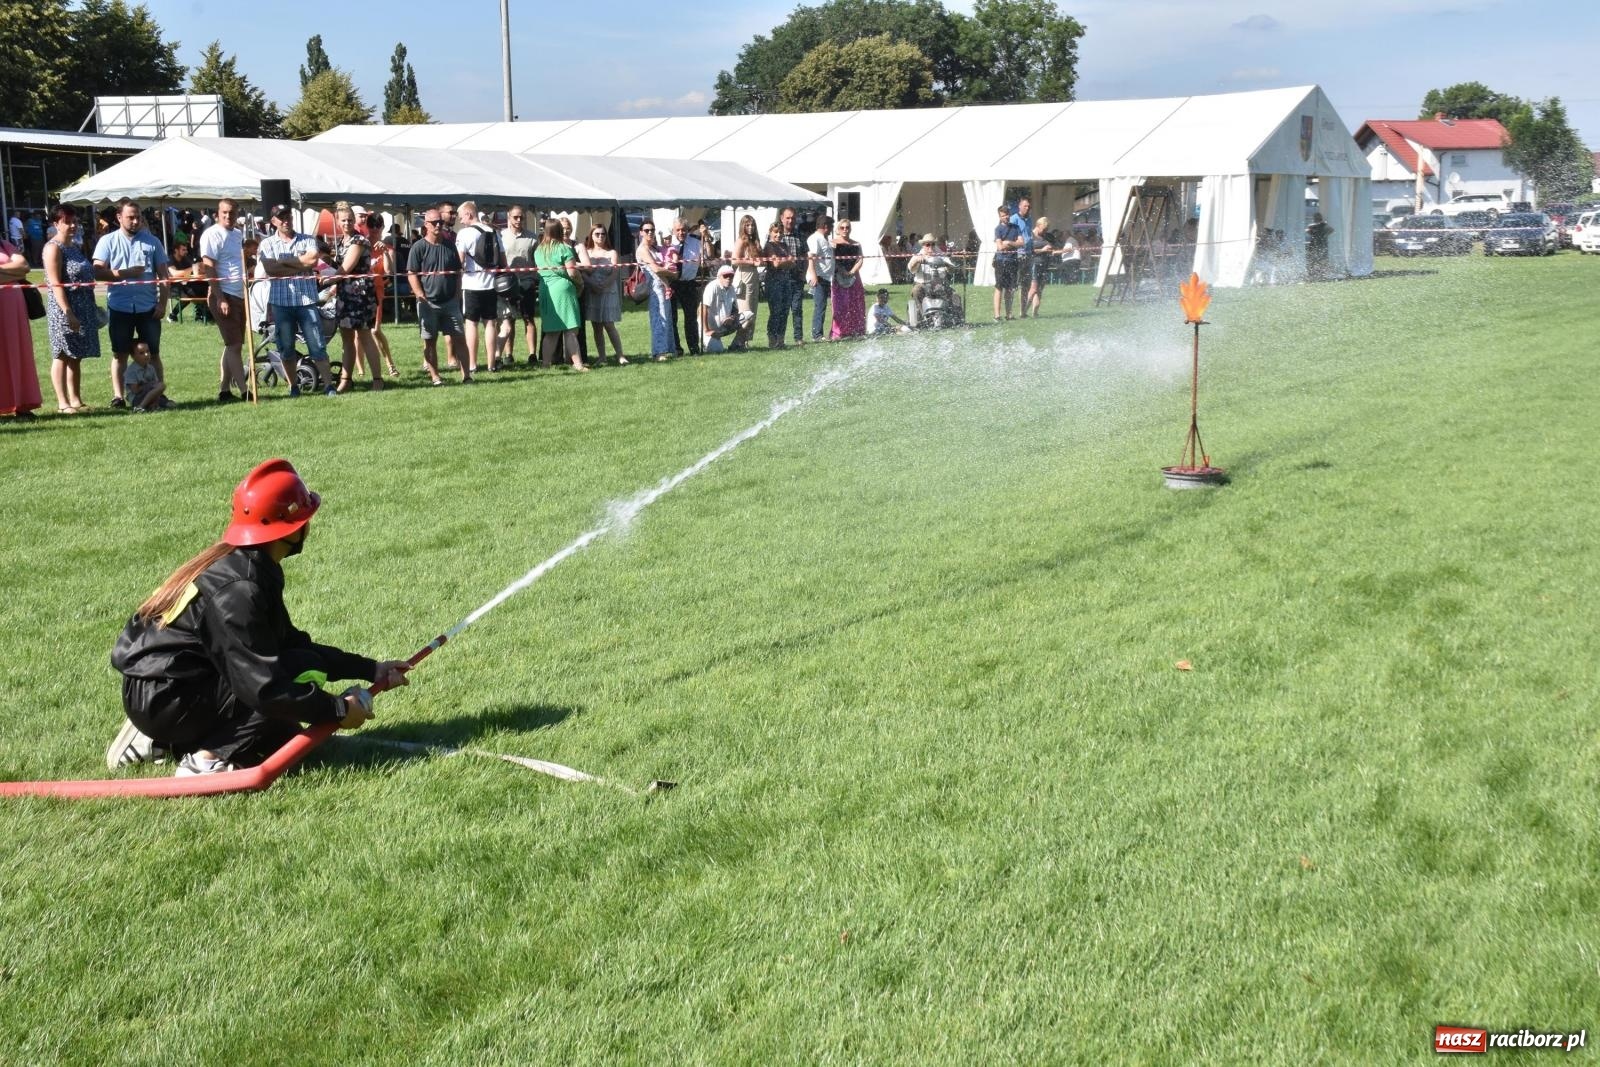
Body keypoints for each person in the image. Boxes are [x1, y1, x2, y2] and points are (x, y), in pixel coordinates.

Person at [107, 459, 411, 776]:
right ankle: (204, 761)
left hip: (172, 686)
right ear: (291, 529)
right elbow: (263, 688)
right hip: (166, 699)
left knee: (287, 720)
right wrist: (337, 710)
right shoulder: (238, 592)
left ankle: (161, 741)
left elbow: (290, 643)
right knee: (287, 684)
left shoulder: (249, 565)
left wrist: (370, 668)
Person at [93, 198, 170, 409]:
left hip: (148, 308)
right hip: (120, 307)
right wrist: (123, 273)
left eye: (138, 217)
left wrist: (162, 304)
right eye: (130, 217)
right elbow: (97, 272)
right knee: (120, 353)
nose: (135, 221)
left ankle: (158, 394)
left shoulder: (152, 241)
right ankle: (118, 397)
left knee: (153, 353)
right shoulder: (107, 241)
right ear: (119, 218)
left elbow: (164, 275)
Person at [256, 204, 336, 396]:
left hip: (306, 301)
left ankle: (329, 386)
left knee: (317, 345)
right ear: (273, 221)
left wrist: (283, 261)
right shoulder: (267, 244)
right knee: (286, 347)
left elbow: (312, 261)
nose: (286, 220)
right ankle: (293, 387)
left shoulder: (308, 240)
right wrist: (298, 263)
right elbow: (271, 269)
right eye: (281, 217)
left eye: (288, 216)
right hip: (281, 303)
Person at [41, 204, 100, 414]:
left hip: (82, 306)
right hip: (64, 309)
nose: (74, 225)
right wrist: (68, 312)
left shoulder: (75, 247)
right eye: (68, 221)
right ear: (56, 223)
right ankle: (62, 403)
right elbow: (55, 283)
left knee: (76, 356)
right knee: (62, 354)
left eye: (76, 221)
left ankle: (76, 400)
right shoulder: (53, 248)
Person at [405, 207, 466, 386]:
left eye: (440, 221)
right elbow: (411, 274)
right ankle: (435, 376)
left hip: (450, 302)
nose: (438, 225)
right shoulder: (418, 247)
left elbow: (457, 272)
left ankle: (467, 376)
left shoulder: (450, 245)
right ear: (426, 225)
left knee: (459, 339)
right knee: (429, 341)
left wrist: (456, 295)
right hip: (428, 303)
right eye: (434, 222)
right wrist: (420, 296)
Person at [199, 199, 249, 402]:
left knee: (232, 345)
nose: (229, 216)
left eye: (232, 213)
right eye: (225, 213)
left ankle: (224, 390)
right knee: (235, 345)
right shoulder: (211, 234)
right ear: (217, 214)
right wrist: (220, 297)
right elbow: (209, 266)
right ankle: (245, 391)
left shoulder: (237, 234)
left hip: (239, 294)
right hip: (223, 295)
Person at [331, 203, 384, 392]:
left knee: (364, 336)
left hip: (361, 295)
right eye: (343, 220)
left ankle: (377, 379)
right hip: (344, 294)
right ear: (338, 222)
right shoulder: (340, 243)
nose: (347, 223)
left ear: (355, 221)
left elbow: (346, 268)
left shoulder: (359, 241)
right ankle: (346, 380)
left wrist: (325, 281)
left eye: (350, 220)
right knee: (346, 338)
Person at [0, 232, 42, 419]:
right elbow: (17, 269)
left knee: (17, 353)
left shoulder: (4, 244)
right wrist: (11, 273)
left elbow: (24, 266)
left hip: (13, 311)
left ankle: (21, 404)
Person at [455, 201, 500, 375]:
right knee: (490, 323)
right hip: (490, 284)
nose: (461, 221)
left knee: (471, 324)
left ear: (468, 214)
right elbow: (501, 260)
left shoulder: (464, 233)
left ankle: (472, 364)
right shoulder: (492, 231)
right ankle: (491, 364)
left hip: (471, 284)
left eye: (461, 217)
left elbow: (460, 261)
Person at [533, 218, 584, 371]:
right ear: (559, 231)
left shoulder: (538, 250)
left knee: (551, 332)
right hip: (563, 290)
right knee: (570, 329)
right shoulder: (564, 248)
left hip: (545, 289)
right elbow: (572, 272)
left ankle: (546, 364)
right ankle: (578, 365)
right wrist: (580, 284)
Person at [362, 211, 400, 378]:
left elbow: (388, 271)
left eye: (378, 226)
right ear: (367, 226)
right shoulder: (361, 244)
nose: (375, 229)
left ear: (383, 227)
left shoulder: (388, 247)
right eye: (372, 226)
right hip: (359, 290)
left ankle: (390, 364)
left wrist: (384, 252)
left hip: (376, 291)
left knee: (375, 330)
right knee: (358, 332)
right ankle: (361, 371)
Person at [499, 205, 538, 364]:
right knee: (509, 320)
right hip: (508, 284)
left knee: (529, 319)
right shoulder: (501, 236)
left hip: (527, 283)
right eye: (515, 217)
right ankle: (508, 355)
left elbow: (537, 261)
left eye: (521, 217)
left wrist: (534, 279)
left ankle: (532, 355)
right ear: (509, 217)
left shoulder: (533, 238)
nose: (519, 220)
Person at [583, 224, 625, 364]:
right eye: (597, 234)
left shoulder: (611, 253)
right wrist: (592, 284)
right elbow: (582, 272)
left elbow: (615, 272)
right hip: (593, 291)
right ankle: (602, 357)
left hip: (608, 291)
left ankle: (620, 355)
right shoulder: (587, 252)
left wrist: (604, 285)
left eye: (603, 234)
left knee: (609, 324)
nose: (600, 236)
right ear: (591, 236)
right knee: (596, 326)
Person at [766, 208, 806, 349]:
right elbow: (775, 264)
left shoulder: (784, 245)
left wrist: (785, 261)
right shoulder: (769, 245)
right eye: (775, 232)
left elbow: (792, 262)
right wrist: (786, 261)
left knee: (785, 312)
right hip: (773, 281)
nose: (778, 235)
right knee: (775, 311)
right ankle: (772, 340)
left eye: (780, 232)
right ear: (770, 233)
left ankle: (781, 341)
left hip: (786, 281)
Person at [637, 221, 675, 362]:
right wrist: (673, 273)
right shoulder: (642, 249)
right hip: (654, 289)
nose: (650, 232)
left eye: (652, 230)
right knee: (659, 320)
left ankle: (668, 349)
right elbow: (656, 269)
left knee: (667, 318)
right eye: (646, 230)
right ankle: (659, 352)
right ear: (641, 232)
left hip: (663, 287)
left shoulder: (654, 247)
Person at [906, 233, 959, 328]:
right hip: (923, 285)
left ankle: (957, 320)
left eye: (932, 244)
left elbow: (952, 269)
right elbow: (911, 268)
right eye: (927, 244)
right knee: (916, 290)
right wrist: (917, 261)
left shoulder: (941, 255)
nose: (930, 247)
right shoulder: (918, 255)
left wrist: (947, 265)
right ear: (923, 245)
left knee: (955, 296)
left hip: (940, 284)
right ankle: (923, 319)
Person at [667, 217, 703, 355]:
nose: (681, 232)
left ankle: (694, 348)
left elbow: (709, 254)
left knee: (691, 318)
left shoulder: (696, 242)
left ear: (688, 230)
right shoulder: (668, 243)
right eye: (678, 230)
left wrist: (705, 236)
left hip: (689, 284)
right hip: (672, 284)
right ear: (673, 230)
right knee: (672, 318)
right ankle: (676, 348)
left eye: (684, 230)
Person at [699, 263, 750, 353]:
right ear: (719, 277)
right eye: (725, 276)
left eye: (731, 276)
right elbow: (703, 308)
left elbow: (735, 309)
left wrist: (732, 317)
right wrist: (707, 330)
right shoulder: (712, 287)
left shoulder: (732, 288)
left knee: (749, 317)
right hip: (708, 327)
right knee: (718, 350)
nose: (729, 278)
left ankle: (736, 345)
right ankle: (707, 342)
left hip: (724, 325)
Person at [829, 219, 865, 339]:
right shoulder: (833, 243)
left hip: (854, 277)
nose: (845, 230)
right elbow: (833, 259)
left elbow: (860, 259)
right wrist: (842, 271)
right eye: (842, 227)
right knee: (840, 304)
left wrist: (852, 272)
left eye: (847, 227)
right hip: (839, 277)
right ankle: (839, 331)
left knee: (856, 304)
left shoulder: (856, 244)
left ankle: (856, 330)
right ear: (838, 229)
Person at [730, 214, 761, 351]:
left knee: (753, 312)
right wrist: (751, 262)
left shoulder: (754, 241)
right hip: (743, 277)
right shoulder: (741, 241)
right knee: (746, 314)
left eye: (752, 225)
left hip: (754, 277)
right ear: (743, 226)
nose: (750, 227)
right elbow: (734, 260)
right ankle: (736, 343)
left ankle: (743, 342)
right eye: (747, 225)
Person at [991, 204, 1024, 322]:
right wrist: (1011, 243)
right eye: (1003, 215)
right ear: (1000, 217)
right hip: (1001, 261)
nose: (1006, 217)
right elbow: (1000, 247)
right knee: (999, 287)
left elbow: (1021, 243)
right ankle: (997, 315)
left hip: (1013, 261)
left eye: (1007, 215)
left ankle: (1009, 314)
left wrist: (1009, 242)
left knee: (1010, 288)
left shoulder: (1016, 227)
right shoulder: (998, 229)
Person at [805, 214, 835, 341]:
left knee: (823, 305)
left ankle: (819, 333)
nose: (833, 228)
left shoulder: (825, 238)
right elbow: (811, 257)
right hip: (819, 277)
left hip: (827, 277)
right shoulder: (815, 238)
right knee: (820, 306)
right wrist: (813, 275)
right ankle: (816, 334)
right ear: (826, 226)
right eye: (832, 226)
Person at [123, 341, 168, 412]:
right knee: (161, 386)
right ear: (133, 356)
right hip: (137, 398)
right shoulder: (131, 371)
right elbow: (135, 390)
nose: (146, 354)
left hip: (149, 395)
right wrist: (149, 385)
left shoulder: (151, 368)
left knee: (171, 404)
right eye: (141, 353)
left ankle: (153, 405)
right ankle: (140, 407)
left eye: (148, 351)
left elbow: (156, 387)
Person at [1024, 216, 1055, 318]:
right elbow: (1029, 251)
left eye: (1047, 230)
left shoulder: (1047, 236)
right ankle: (1023, 312)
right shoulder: (1030, 236)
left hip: (1044, 264)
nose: (1045, 232)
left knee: (1040, 290)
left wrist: (1053, 250)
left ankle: (1035, 313)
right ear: (1038, 226)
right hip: (1034, 264)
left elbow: (1052, 249)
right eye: (1044, 229)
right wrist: (1043, 250)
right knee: (1033, 289)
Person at [1009, 197, 1034, 318]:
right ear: (1019, 206)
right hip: (1018, 254)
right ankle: (1010, 312)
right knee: (1014, 285)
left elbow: (1029, 235)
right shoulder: (1013, 219)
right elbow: (1010, 236)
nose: (1027, 208)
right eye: (1025, 206)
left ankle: (1022, 311)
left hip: (1028, 254)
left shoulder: (1030, 219)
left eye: (1029, 206)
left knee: (1025, 285)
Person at [1306, 213, 1334, 281]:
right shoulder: (1315, 226)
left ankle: (1320, 275)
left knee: (1320, 261)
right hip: (1315, 245)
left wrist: (1324, 234)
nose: (1316, 218)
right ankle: (1313, 274)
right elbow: (1308, 230)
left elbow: (1331, 230)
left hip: (1320, 245)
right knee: (1313, 261)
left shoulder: (1323, 225)